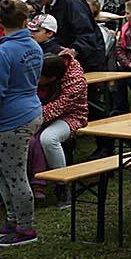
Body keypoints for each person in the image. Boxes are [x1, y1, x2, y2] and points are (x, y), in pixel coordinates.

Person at [0, 0, 44, 247]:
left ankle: (25, 227)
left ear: (0, 22)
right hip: (30, 108)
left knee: (15, 174)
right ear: (25, 21)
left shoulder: (3, 52)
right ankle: (13, 218)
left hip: (12, 117)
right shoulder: (33, 46)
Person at [34, 49, 88, 182]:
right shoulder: (53, 63)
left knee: (48, 139)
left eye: (39, 77)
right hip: (40, 113)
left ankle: (62, 183)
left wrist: (25, 117)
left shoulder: (75, 83)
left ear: (52, 78)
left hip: (72, 116)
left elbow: (55, 109)